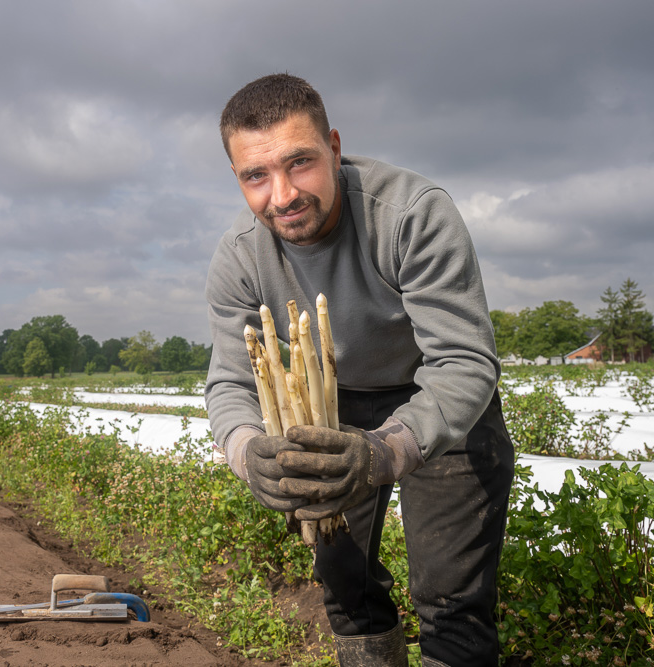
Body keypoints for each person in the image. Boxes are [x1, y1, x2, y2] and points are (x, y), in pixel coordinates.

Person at [204, 73, 514, 667]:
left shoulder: (412, 215)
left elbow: (463, 361)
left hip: (440, 401)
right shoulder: (240, 256)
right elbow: (230, 382)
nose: (282, 195)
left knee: (451, 598)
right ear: (237, 176)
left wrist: (384, 451)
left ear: (334, 148)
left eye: (300, 162)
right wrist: (246, 452)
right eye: (255, 176)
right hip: (334, 403)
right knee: (345, 586)